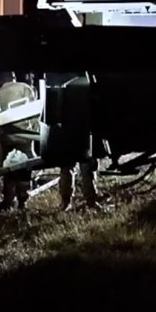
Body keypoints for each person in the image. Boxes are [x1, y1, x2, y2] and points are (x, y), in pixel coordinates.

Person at [48, 71, 104, 211]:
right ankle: (90, 200)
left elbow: (57, 113)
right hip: (83, 132)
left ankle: (66, 202)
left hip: (69, 131)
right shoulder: (91, 86)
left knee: (68, 168)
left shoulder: (66, 85)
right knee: (87, 168)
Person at [0, 71, 39, 211]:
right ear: (14, 78)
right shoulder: (25, 88)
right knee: (25, 167)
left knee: (9, 167)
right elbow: (35, 112)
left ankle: (8, 199)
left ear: (1, 80)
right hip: (25, 136)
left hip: (8, 137)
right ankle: (23, 200)